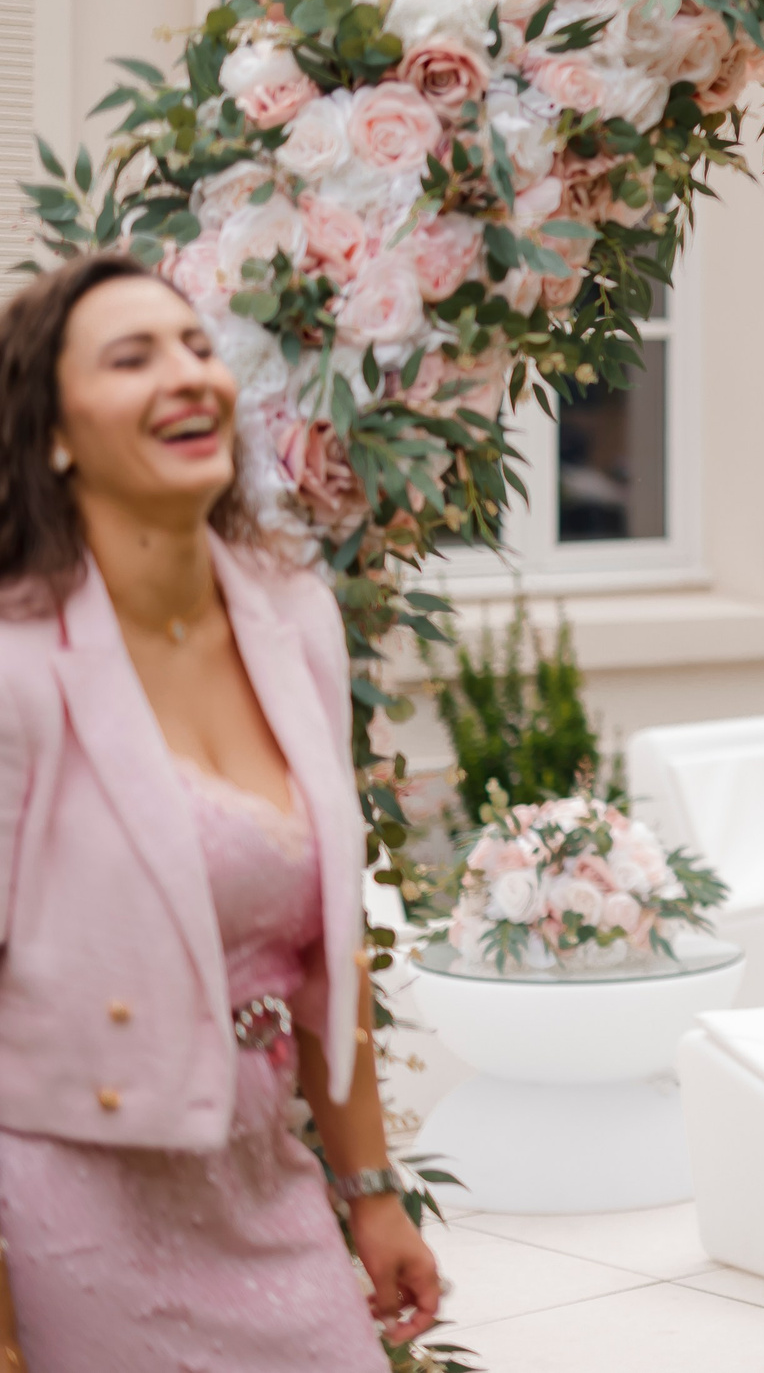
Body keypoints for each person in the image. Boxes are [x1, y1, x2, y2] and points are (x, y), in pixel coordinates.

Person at [0, 254, 441, 1370]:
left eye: (196, 346)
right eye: (132, 357)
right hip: (72, 1206)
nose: (186, 375)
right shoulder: (13, 670)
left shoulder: (293, 618)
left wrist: (371, 1191)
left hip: (267, 1188)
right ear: (54, 432)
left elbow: (324, 955)